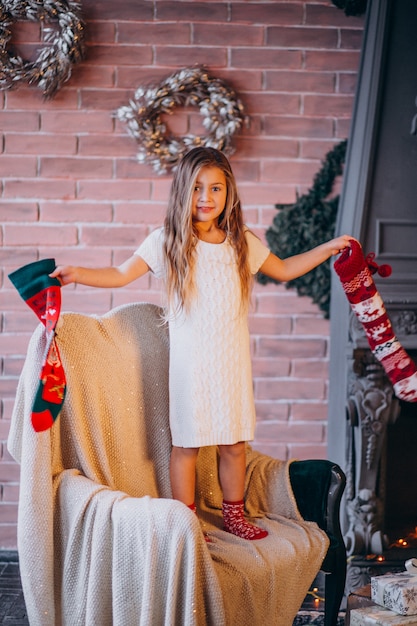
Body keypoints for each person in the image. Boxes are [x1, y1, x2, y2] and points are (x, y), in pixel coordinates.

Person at [50, 147, 352, 541]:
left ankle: (234, 516)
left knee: (233, 445)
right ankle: (187, 521)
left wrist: (328, 248)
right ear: (182, 192)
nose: (206, 198)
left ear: (229, 194)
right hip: (191, 368)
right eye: (197, 189)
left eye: (215, 188)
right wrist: (78, 274)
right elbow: (121, 273)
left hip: (231, 367)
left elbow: (284, 268)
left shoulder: (239, 241)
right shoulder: (167, 241)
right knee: (187, 447)